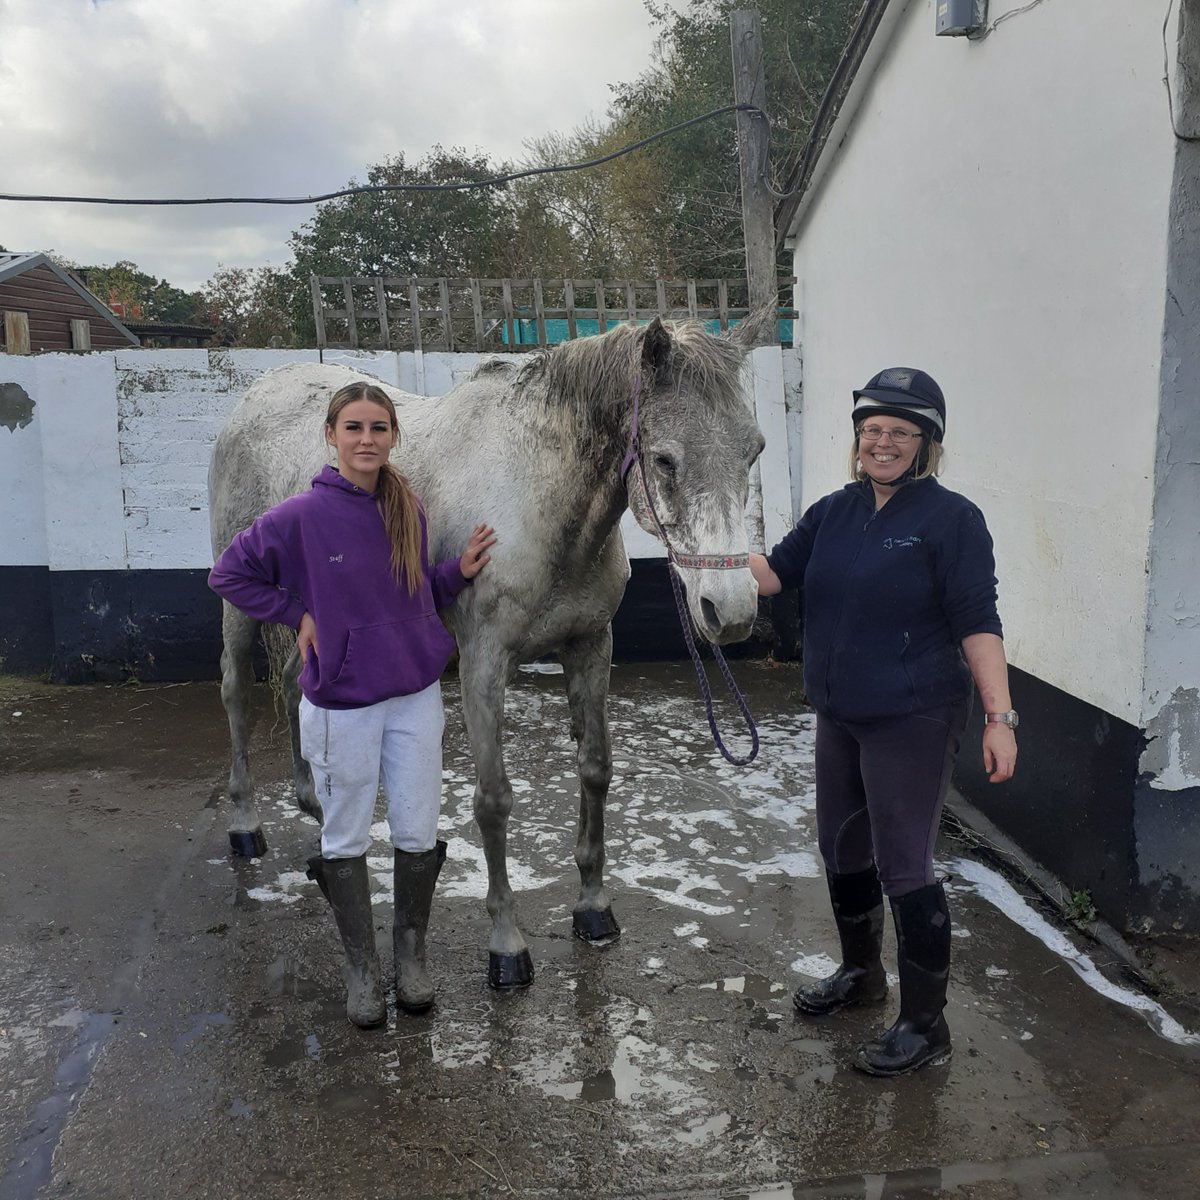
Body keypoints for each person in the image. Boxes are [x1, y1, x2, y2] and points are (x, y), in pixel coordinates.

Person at [750, 367, 1017, 1076]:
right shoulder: (834, 512)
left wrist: (1000, 716)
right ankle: (861, 976)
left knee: (905, 866)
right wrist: (702, 551)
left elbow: (978, 622)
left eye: (901, 432)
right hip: (840, 716)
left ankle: (926, 1026)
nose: (883, 443)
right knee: (840, 850)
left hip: (912, 719)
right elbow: (774, 575)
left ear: (927, 443)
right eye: (873, 431)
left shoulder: (950, 521)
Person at [209, 380, 495, 1029]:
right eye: (354, 428)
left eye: (379, 428)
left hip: (415, 696)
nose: (367, 439)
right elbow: (228, 573)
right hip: (342, 704)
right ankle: (363, 970)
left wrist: (459, 572)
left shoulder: (407, 506)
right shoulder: (301, 516)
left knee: (419, 830)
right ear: (331, 435)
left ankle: (411, 958)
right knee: (345, 835)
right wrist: (295, 612)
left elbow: (413, 590)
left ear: (393, 436)